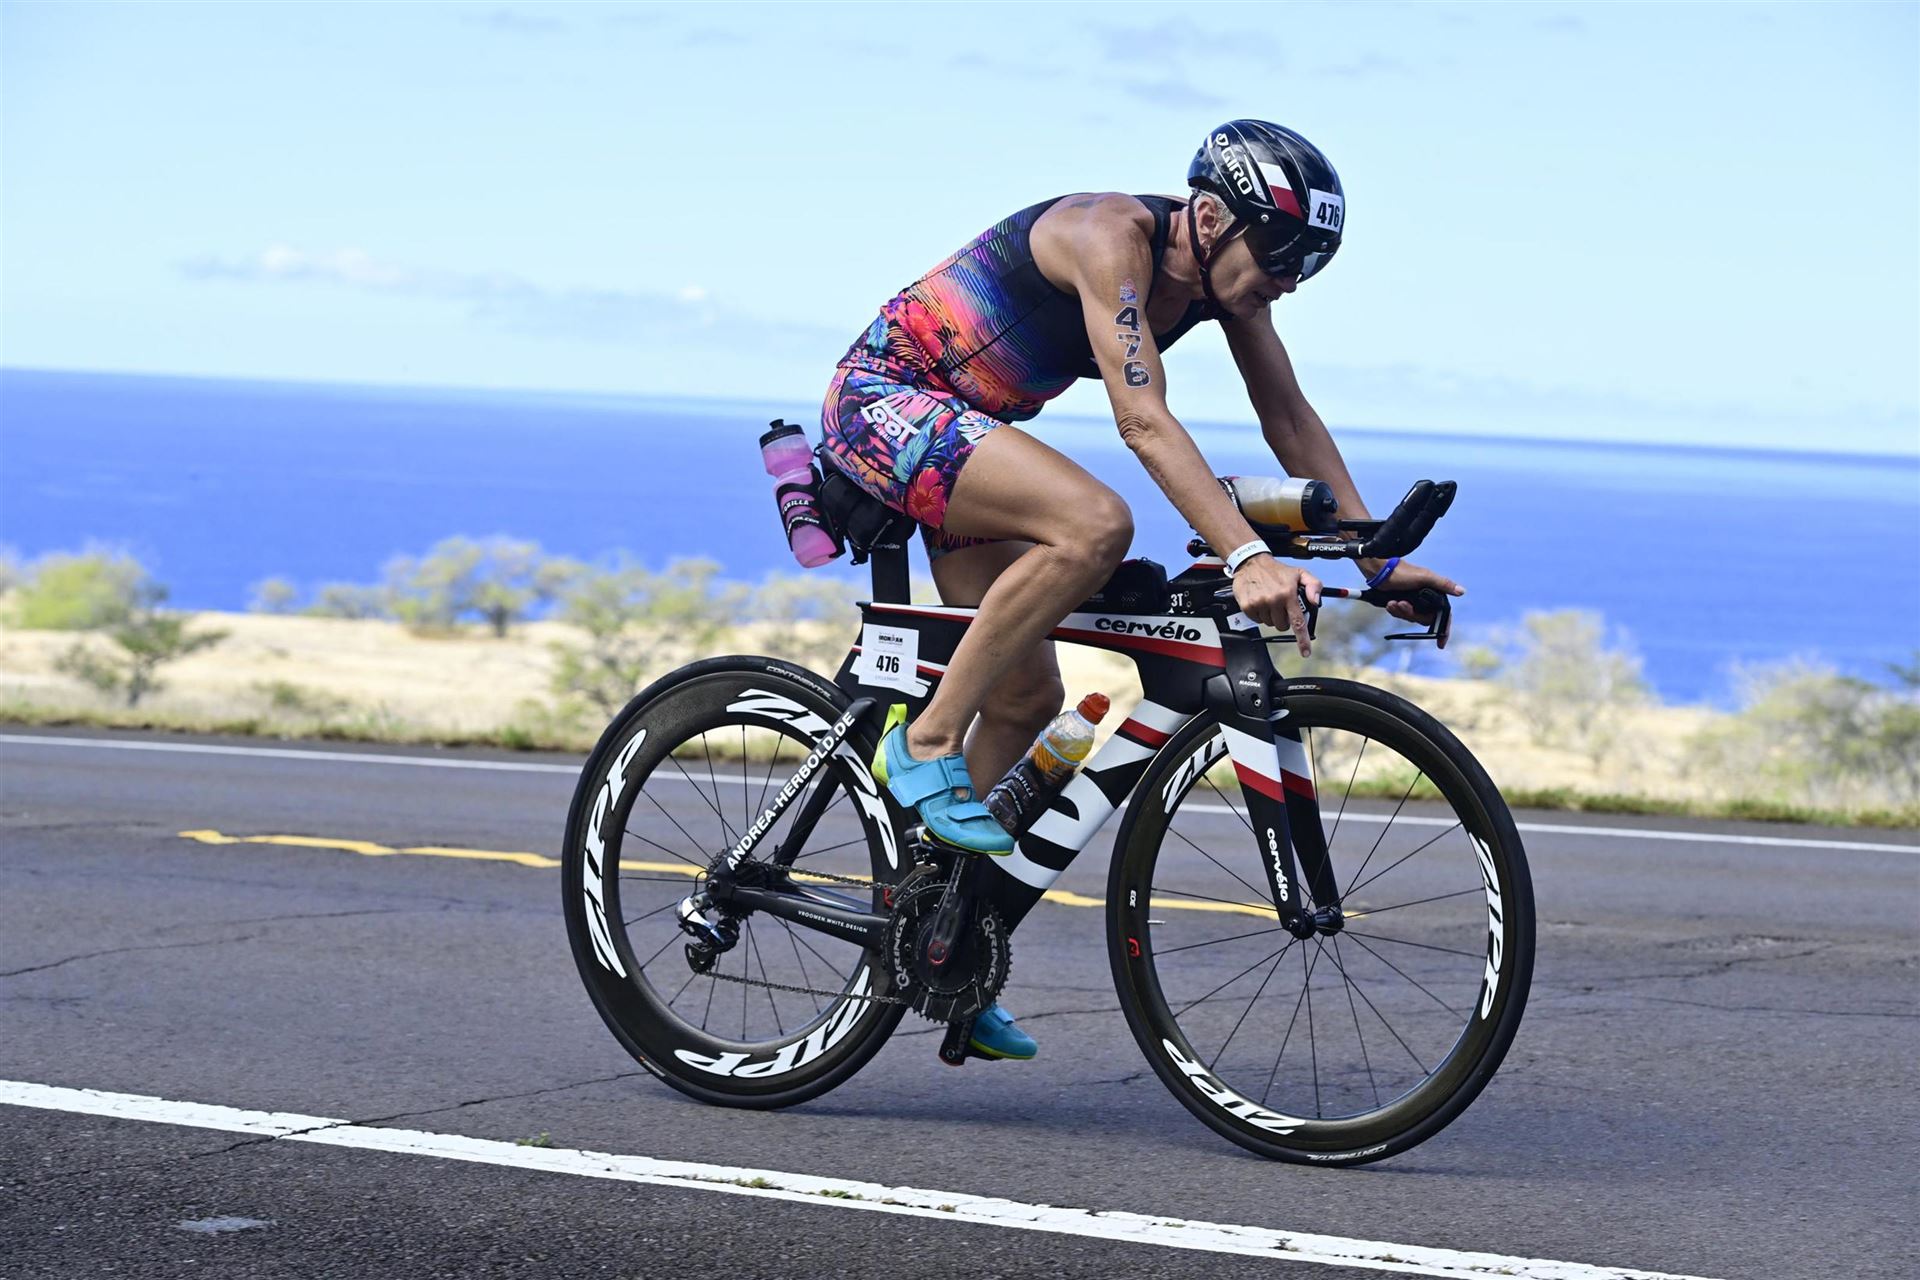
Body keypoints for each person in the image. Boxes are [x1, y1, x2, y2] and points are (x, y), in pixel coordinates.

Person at [820, 119, 1463, 1060]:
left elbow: (1288, 416)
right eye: (1281, 253)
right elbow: (1142, 418)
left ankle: (938, 942)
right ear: (1210, 216)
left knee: (1027, 697)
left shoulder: (1229, 288)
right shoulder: (1108, 235)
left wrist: (1376, 562)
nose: (1289, 279)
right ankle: (923, 741)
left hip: (966, 430)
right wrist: (1247, 557)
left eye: (1309, 264)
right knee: (1094, 526)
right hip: (883, 401)